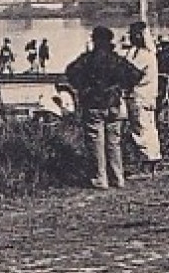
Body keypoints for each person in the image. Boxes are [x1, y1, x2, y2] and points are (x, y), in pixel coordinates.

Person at [65, 25, 144, 189]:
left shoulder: (87, 59)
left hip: (93, 104)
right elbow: (136, 75)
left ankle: (100, 178)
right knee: (114, 142)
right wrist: (121, 87)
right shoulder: (116, 59)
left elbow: (70, 72)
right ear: (110, 41)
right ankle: (118, 177)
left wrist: (84, 89)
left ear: (94, 40)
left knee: (96, 142)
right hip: (113, 103)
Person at [122, 21, 161, 172]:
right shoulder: (146, 53)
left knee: (141, 128)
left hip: (140, 96)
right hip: (145, 95)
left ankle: (148, 160)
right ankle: (151, 158)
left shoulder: (143, 55)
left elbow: (130, 73)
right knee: (148, 127)